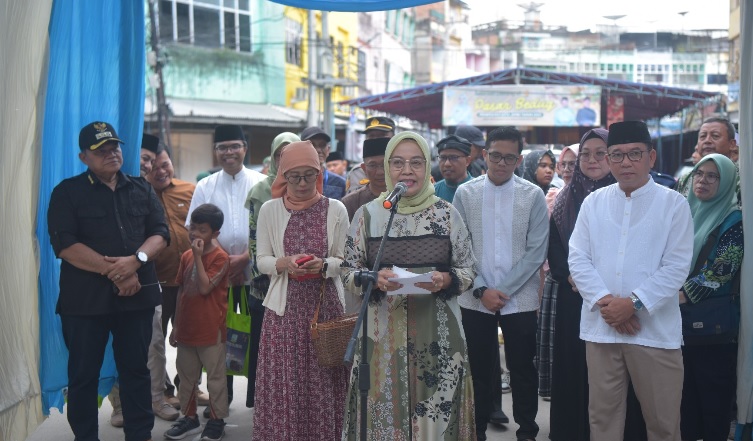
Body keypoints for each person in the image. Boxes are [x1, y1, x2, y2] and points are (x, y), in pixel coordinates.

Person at [341, 132, 477, 440]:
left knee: (435, 420)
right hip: (381, 338)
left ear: (427, 167)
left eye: (416, 163)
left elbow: (468, 269)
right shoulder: (369, 216)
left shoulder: (446, 214)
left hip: (438, 334)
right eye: (398, 163)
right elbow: (348, 272)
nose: (407, 171)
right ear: (387, 168)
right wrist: (373, 278)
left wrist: (447, 279)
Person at [569, 120, 694, 441]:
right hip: (602, 330)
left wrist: (633, 304)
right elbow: (578, 258)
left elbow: (677, 267)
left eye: (635, 154)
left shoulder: (674, 204)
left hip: (654, 333)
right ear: (608, 160)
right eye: (618, 155)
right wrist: (607, 304)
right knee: (603, 420)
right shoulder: (593, 203)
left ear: (651, 157)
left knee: (663, 423)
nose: (626, 162)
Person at [47, 121, 169, 441]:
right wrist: (115, 271)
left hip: (137, 297)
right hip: (85, 302)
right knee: (83, 376)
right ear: (83, 156)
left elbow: (161, 234)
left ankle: (139, 435)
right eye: (100, 149)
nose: (111, 153)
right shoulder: (67, 192)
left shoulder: (141, 188)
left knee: (136, 372)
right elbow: (65, 245)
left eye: (114, 146)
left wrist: (135, 262)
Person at [454, 126, 549, 441]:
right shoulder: (466, 193)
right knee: (479, 370)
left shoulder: (533, 195)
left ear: (519, 159)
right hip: (474, 296)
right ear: (483, 155)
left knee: (522, 369)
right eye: (496, 155)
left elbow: (536, 251)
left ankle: (527, 431)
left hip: (519, 299)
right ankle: (477, 430)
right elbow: (459, 246)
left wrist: (503, 291)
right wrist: (481, 288)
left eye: (510, 157)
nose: (502, 163)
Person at [252, 140, 350, 439]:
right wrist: (285, 263)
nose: (303, 182)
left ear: (319, 171)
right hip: (284, 313)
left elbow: (345, 263)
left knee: (323, 381)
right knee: (286, 382)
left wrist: (322, 265)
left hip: (325, 311)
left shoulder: (336, 209)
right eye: (294, 176)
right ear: (282, 175)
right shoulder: (270, 209)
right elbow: (262, 260)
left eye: (310, 174)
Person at [185, 124, 265, 416]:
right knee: (221, 338)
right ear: (215, 151)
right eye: (222, 147)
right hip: (218, 279)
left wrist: (245, 257)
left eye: (234, 146)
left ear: (245, 147)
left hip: (255, 276)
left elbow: (270, 229)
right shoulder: (206, 186)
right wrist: (221, 260)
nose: (229, 152)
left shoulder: (261, 182)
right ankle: (223, 398)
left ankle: (259, 399)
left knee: (256, 338)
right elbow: (192, 231)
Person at [548, 128, 615, 441]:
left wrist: (595, 283)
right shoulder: (565, 198)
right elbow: (555, 245)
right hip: (573, 297)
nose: (591, 160)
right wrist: (570, 275)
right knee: (574, 367)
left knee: (608, 372)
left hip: (612, 298)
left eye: (600, 153)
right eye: (585, 154)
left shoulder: (623, 194)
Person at [679, 153, 743, 441]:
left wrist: (681, 295)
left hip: (713, 330)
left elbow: (722, 271)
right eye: (699, 174)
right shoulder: (682, 211)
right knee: (684, 404)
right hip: (676, 325)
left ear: (727, 181)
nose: (703, 181)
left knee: (713, 406)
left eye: (712, 176)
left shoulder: (734, 220)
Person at [164, 203, 230, 441]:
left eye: (202, 229)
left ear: (215, 233)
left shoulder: (221, 257)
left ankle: (216, 420)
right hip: (187, 329)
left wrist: (199, 257)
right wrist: (177, 326)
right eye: (193, 227)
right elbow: (182, 290)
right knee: (186, 376)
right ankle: (190, 418)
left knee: (215, 378)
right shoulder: (186, 256)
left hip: (211, 329)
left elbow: (204, 288)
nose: (194, 233)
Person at [146, 146, 198, 410]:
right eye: (153, 166)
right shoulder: (140, 194)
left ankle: (189, 387)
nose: (160, 171)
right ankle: (163, 391)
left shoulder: (189, 190)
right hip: (155, 282)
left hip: (188, 282)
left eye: (164, 164)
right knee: (156, 343)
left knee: (189, 339)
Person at [677, 117, 738, 197]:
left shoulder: (742, 180)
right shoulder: (686, 180)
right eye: (703, 136)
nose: (707, 140)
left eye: (715, 136)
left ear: (732, 144)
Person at [341, 137, 389, 221]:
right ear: (364, 168)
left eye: (384, 164)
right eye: (372, 165)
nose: (380, 172)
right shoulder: (350, 203)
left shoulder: (405, 196)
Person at [346, 116, 396, 194]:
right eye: (371, 136)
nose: (376, 140)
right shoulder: (357, 172)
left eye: (382, 135)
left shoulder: (404, 167)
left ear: (394, 137)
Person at [300, 126, 346, 199]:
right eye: (312, 145)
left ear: (328, 150)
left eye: (322, 145)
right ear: (300, 150)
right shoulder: (294, 181)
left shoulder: (339, 183)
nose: (318, 150)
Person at [434, 134, 474, 202]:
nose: (447, 164)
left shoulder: (478, 190)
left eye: (453, 158)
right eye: (442, 158)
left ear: (467, 161)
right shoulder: (433, 192)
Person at [546, 144, 579, 212]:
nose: (566, 169)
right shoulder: (554, 196)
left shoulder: (593, 196)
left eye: (572, 164)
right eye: (563, 164)